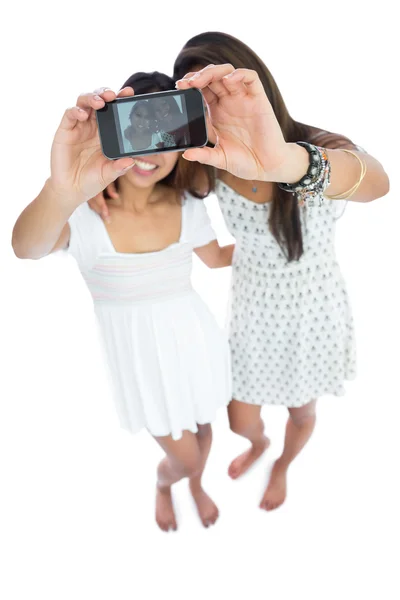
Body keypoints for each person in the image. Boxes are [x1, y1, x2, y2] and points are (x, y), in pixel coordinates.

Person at [89, 32, 390, 512]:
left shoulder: (316, 146)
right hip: (253, 311)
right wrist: (101, 184)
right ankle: (260, 444)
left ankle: (282, 464)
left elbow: (376, 183)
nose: (214, 112)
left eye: (220, 93)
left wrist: (285, 163)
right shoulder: (208, 163)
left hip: (315, 310)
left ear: (254, 88)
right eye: (199, 101)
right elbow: (152, 176)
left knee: (302, 411)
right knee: (241, 421)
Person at [11, 71, 235, 532]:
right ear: (115, 133)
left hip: (196, 346)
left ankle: (193, 483)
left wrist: (280, 236)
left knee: (205, 425)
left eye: (166, 134)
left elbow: (215, 258)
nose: (151, 150)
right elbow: (26, 247)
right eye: (138, 130)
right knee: (186, 456)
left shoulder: (187, 206)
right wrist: (63, 189)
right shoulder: (85, 217)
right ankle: (170, 484)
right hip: (143, 366)